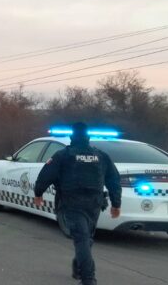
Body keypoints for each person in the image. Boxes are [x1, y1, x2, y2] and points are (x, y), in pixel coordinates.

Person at [33, 122, 121, 285]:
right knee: (85, 238)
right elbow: (113, 179)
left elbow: (46, 175)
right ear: (88, 137)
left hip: (72, 202)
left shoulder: (63, 155)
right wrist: (116, 203)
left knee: (82, 239)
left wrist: (38, 193)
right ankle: (79, 267)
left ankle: (88, 279)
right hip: (94, 204)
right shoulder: (101, 156)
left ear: (72, 137)